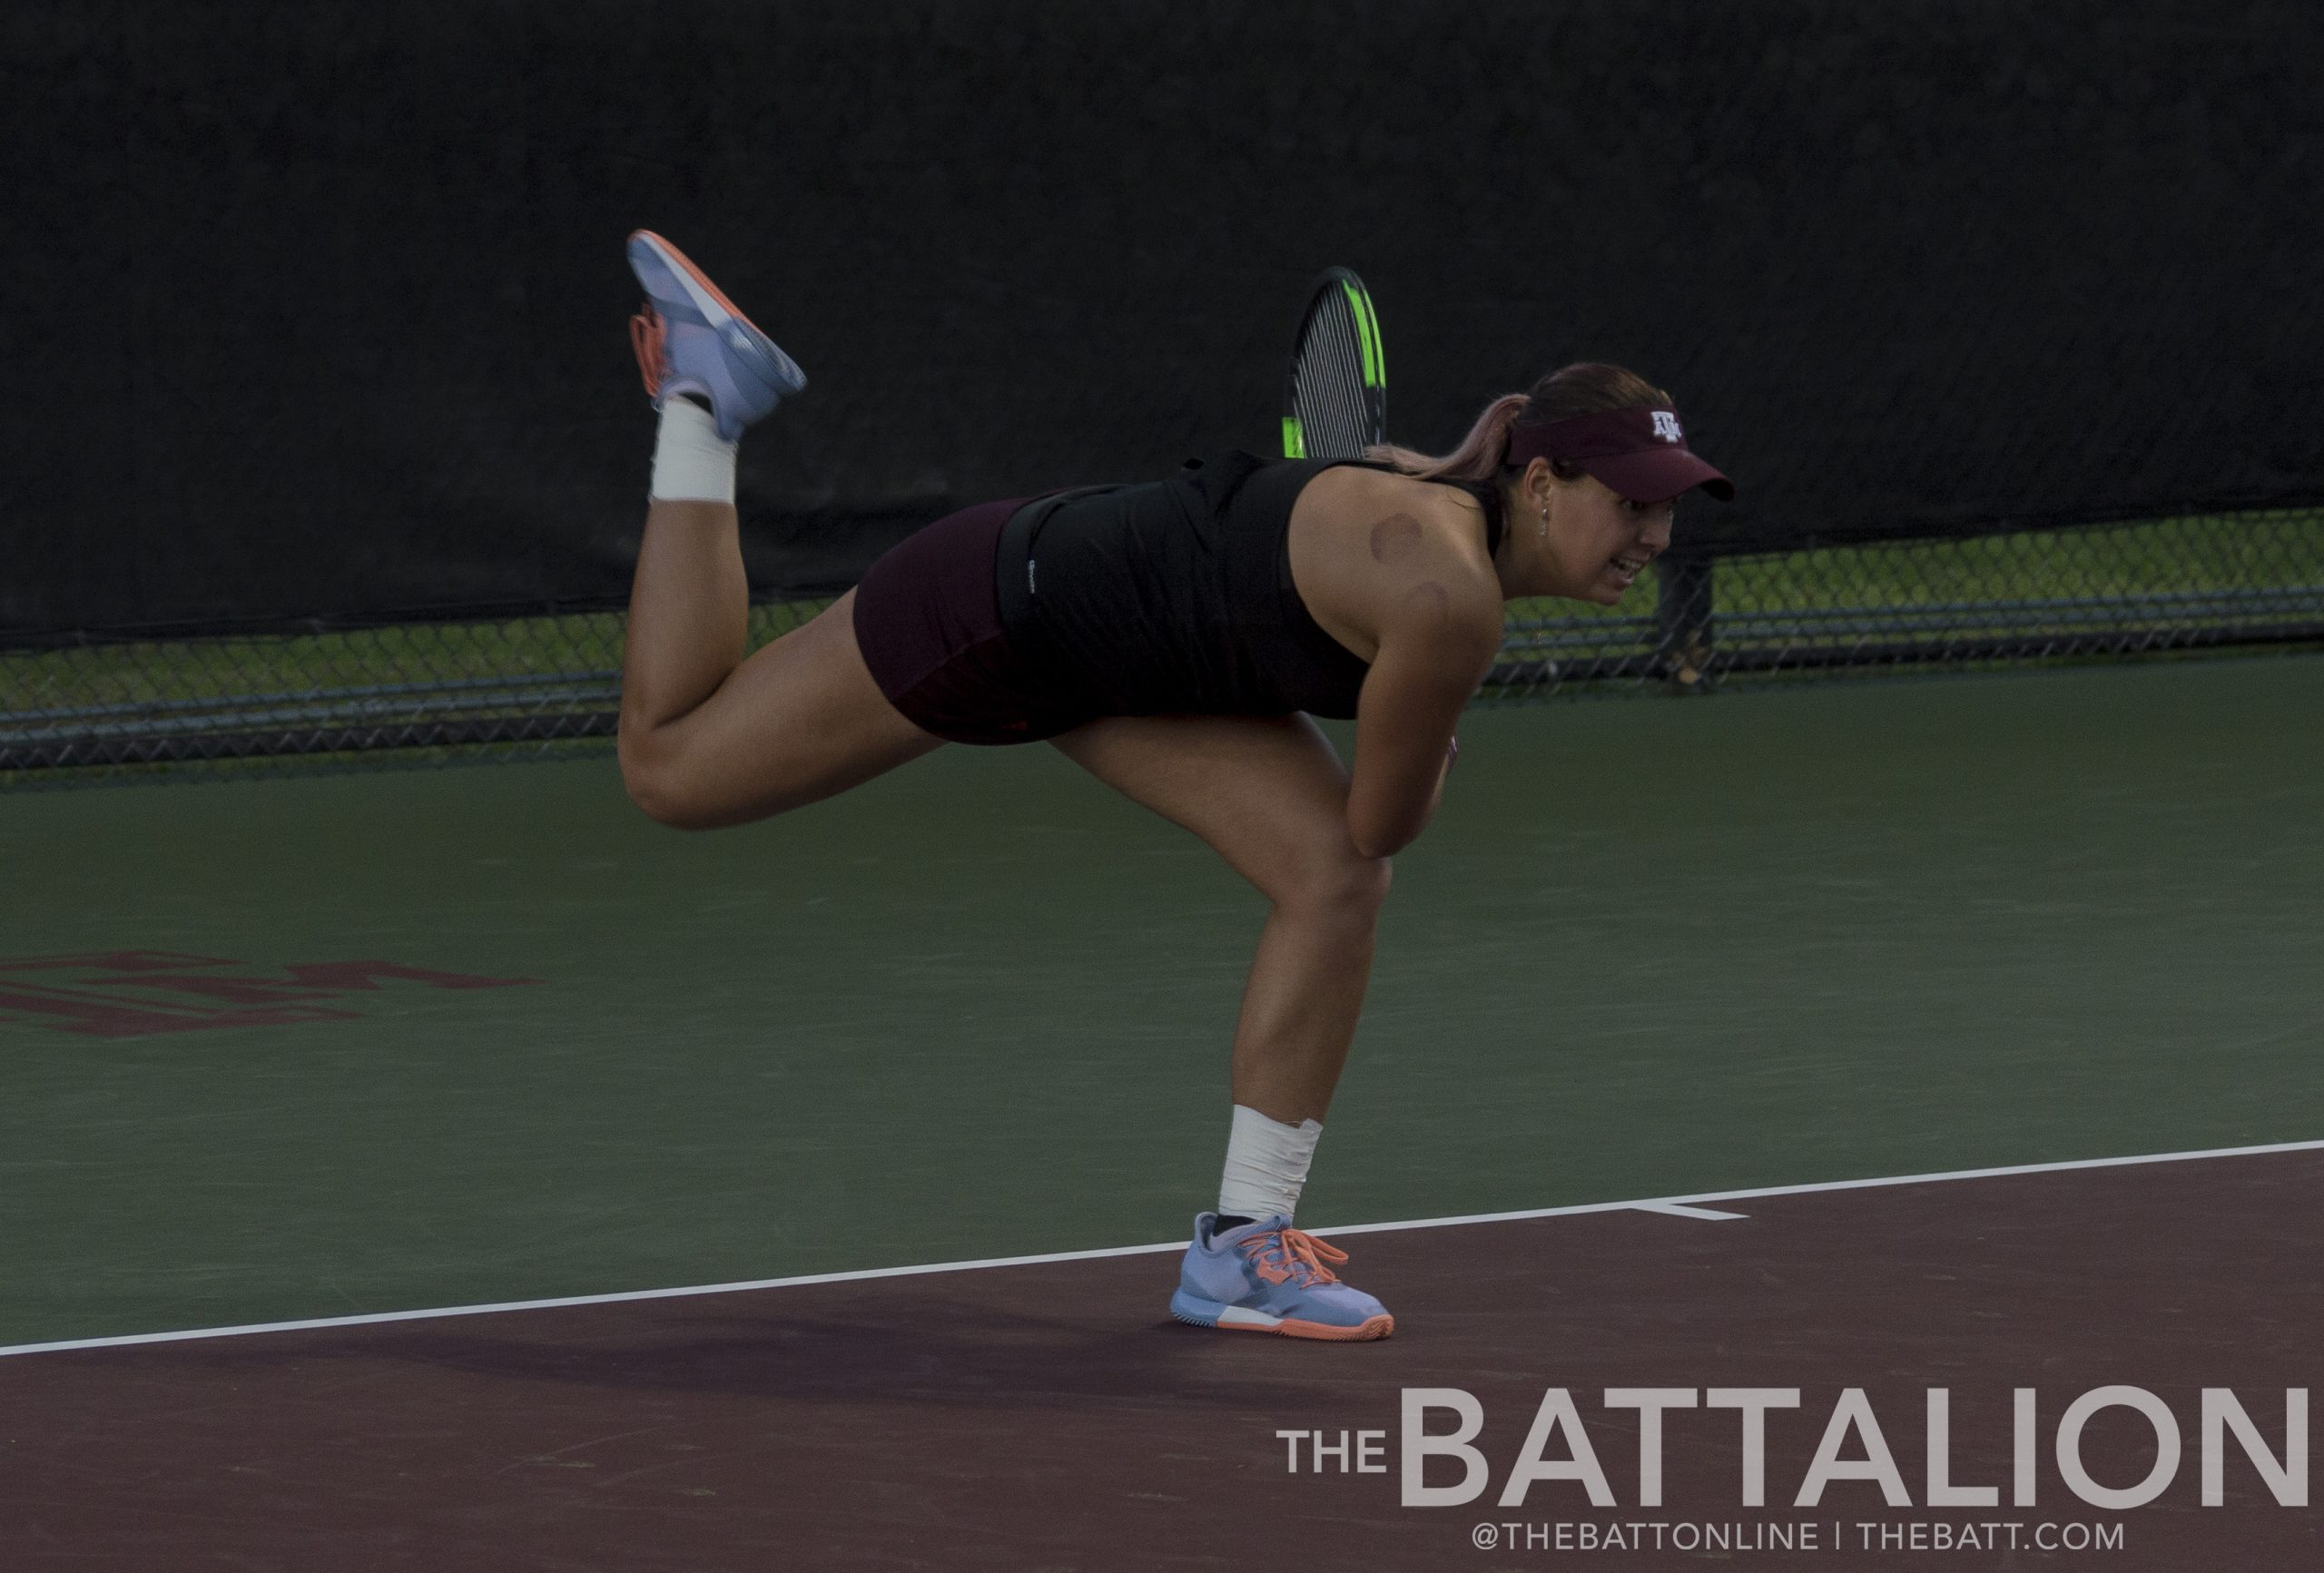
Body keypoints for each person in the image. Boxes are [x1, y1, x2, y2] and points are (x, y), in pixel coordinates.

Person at [615, 231, 1735, 1342]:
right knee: (670, 766)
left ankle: (1242, 1249)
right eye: (1631, 503)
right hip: (1000, 612)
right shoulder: (1447, 602)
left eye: (1667, 504)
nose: (1656, 533)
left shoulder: (1434, 501)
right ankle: (705, 400)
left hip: (1122, 654)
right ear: (1539, 483)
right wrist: (1434, 742)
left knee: (1332, 879)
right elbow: (1386, 814)